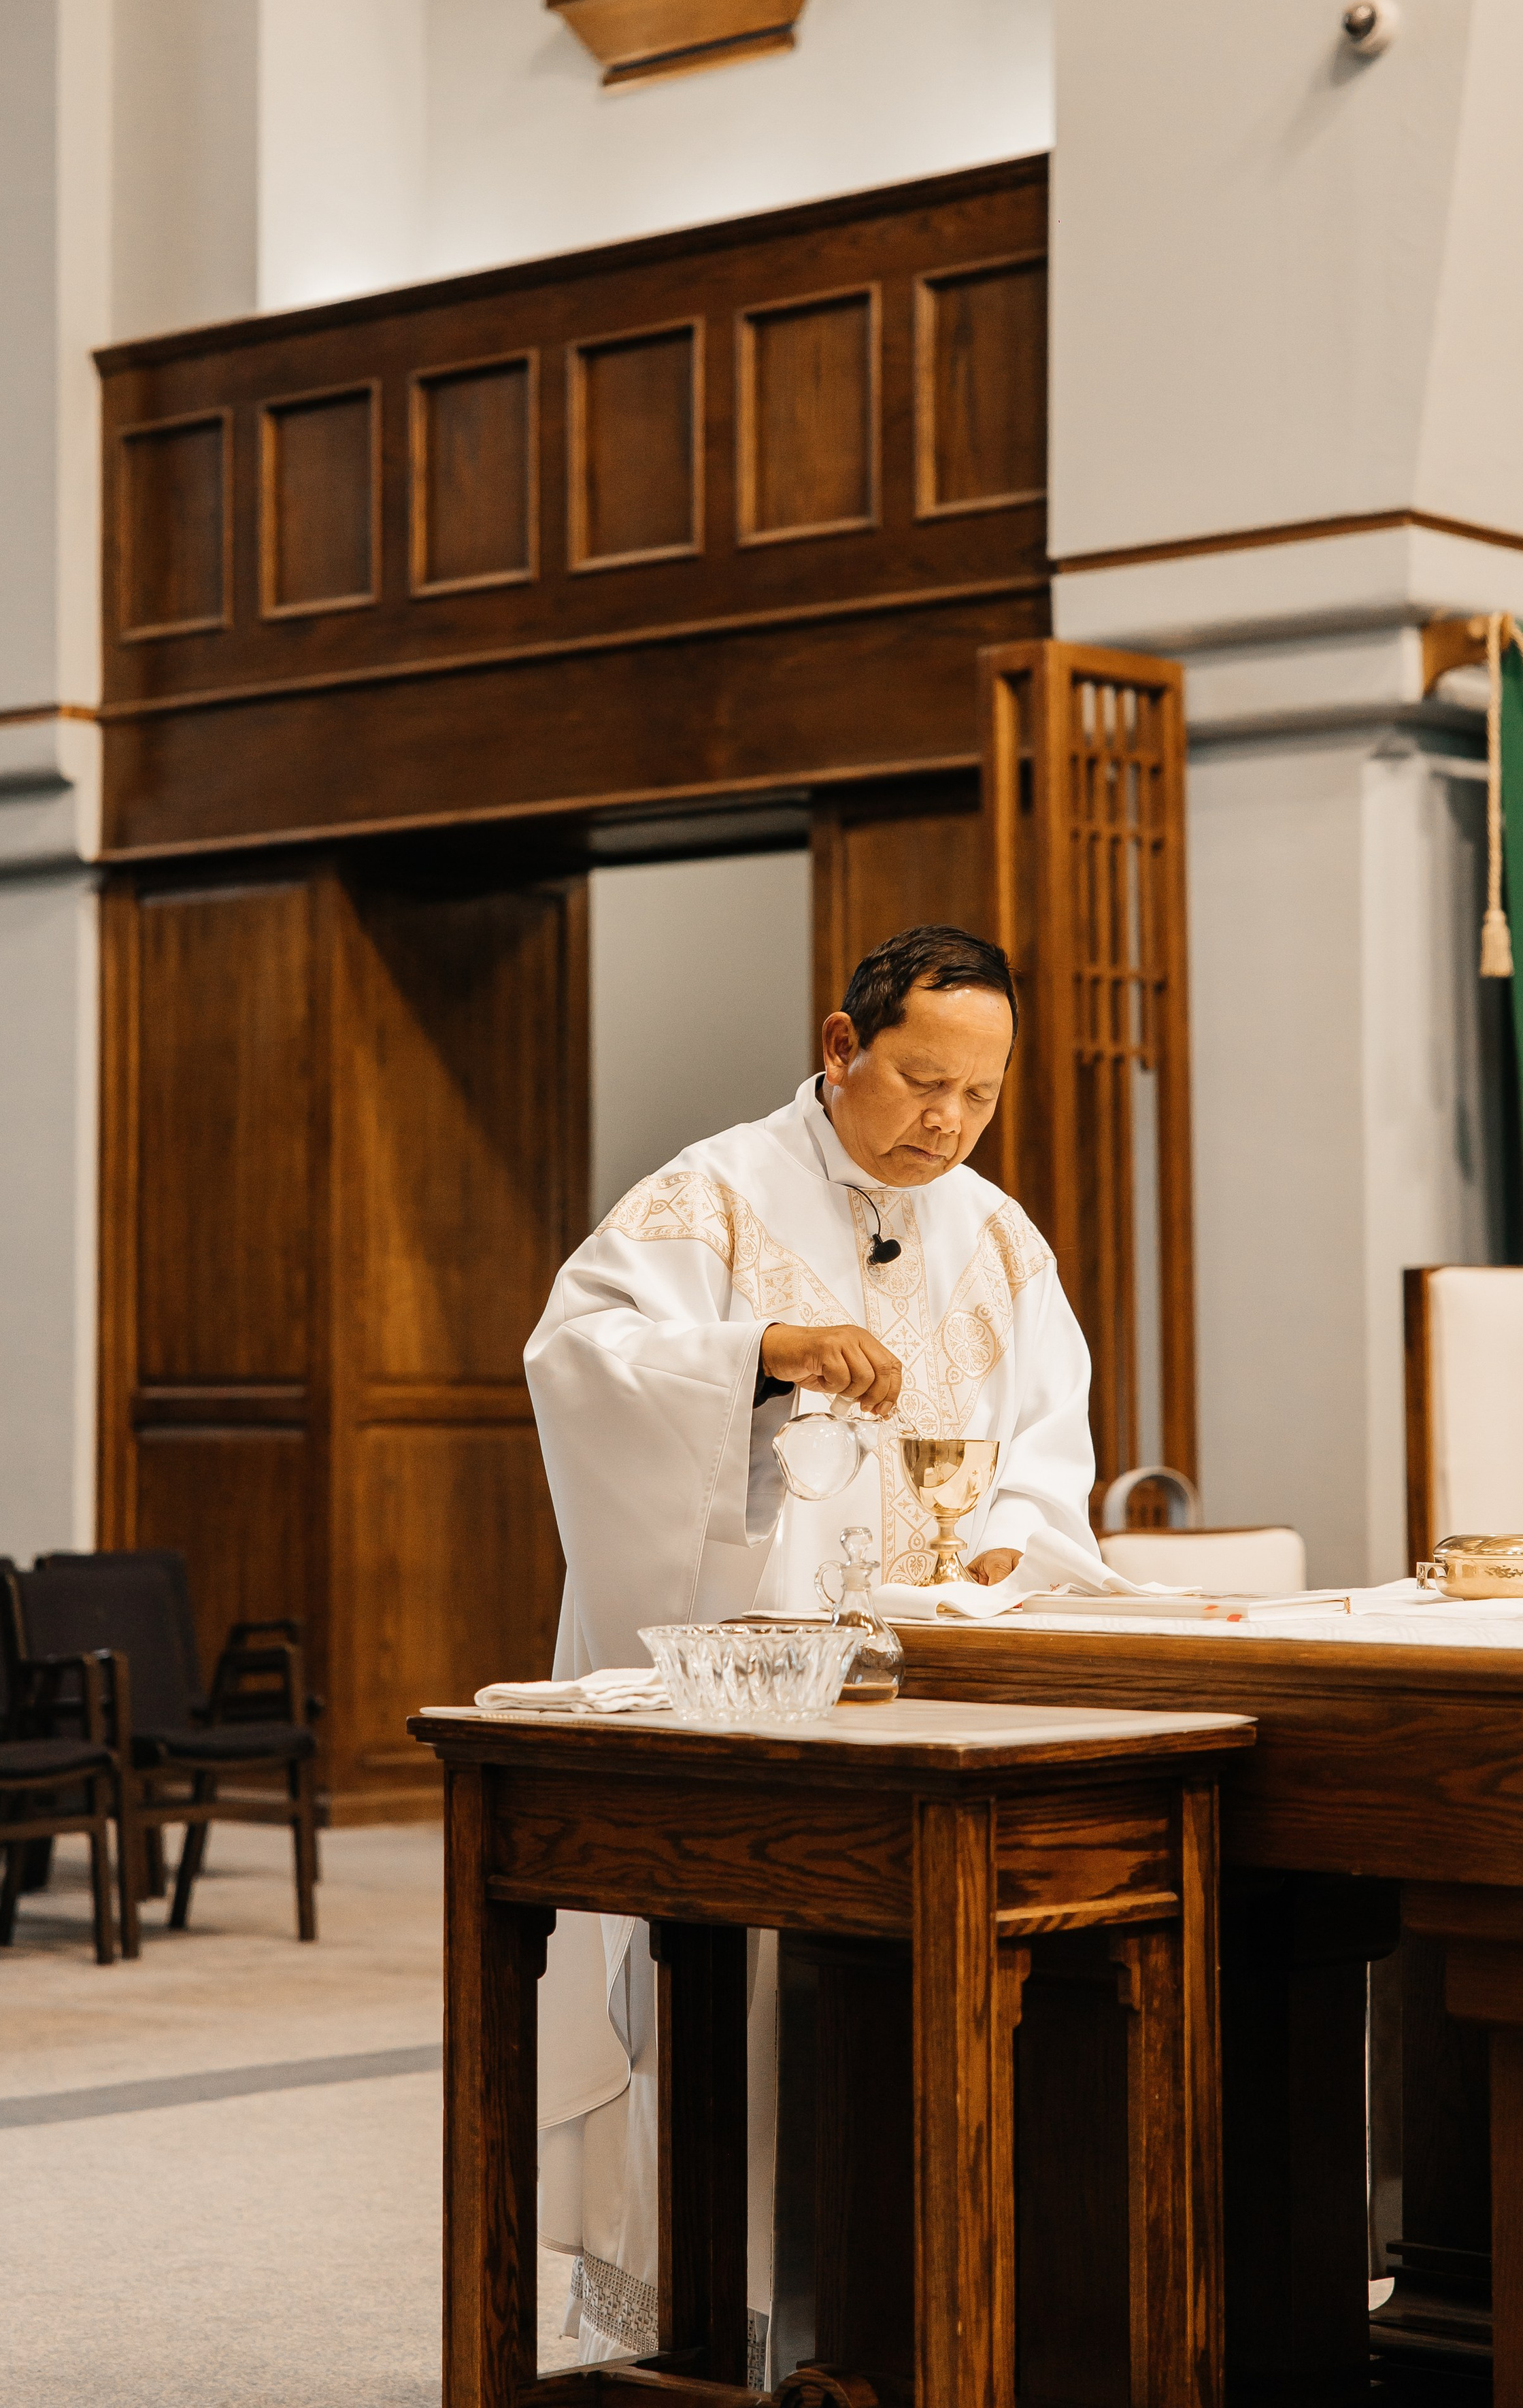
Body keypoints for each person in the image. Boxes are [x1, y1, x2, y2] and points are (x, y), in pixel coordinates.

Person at [524, 922, 1107, 2370]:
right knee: (744, 2008)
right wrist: (756, 1358)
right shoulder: (709, 1195)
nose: (946, 1123)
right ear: (840, 1047)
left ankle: (907, 2319)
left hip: (932, 1697)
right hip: (753, 1692)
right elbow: (577, 1363)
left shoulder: (1000, 1234)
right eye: (919, 1081)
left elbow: (1050, 1450)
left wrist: (1005, 1545)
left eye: (978, 1095)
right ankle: (721, 2335)